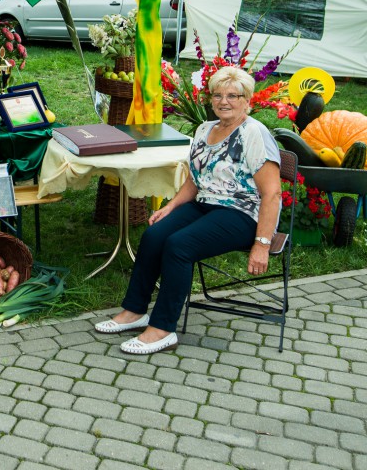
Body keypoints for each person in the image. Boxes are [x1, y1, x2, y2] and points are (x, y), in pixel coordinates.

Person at [94, 66, 281, 355]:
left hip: (242, 214)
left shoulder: (254, 134)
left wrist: (262, 244)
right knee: (155, 234)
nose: (224, 101)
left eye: (233, 95)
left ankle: (163, 329)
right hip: (205, 204)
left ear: (248, 101)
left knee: (179, 245)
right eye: (217, 95)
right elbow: (195, 181)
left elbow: (272, 193)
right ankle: (135, 312)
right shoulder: (205, 130)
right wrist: (170, 207)